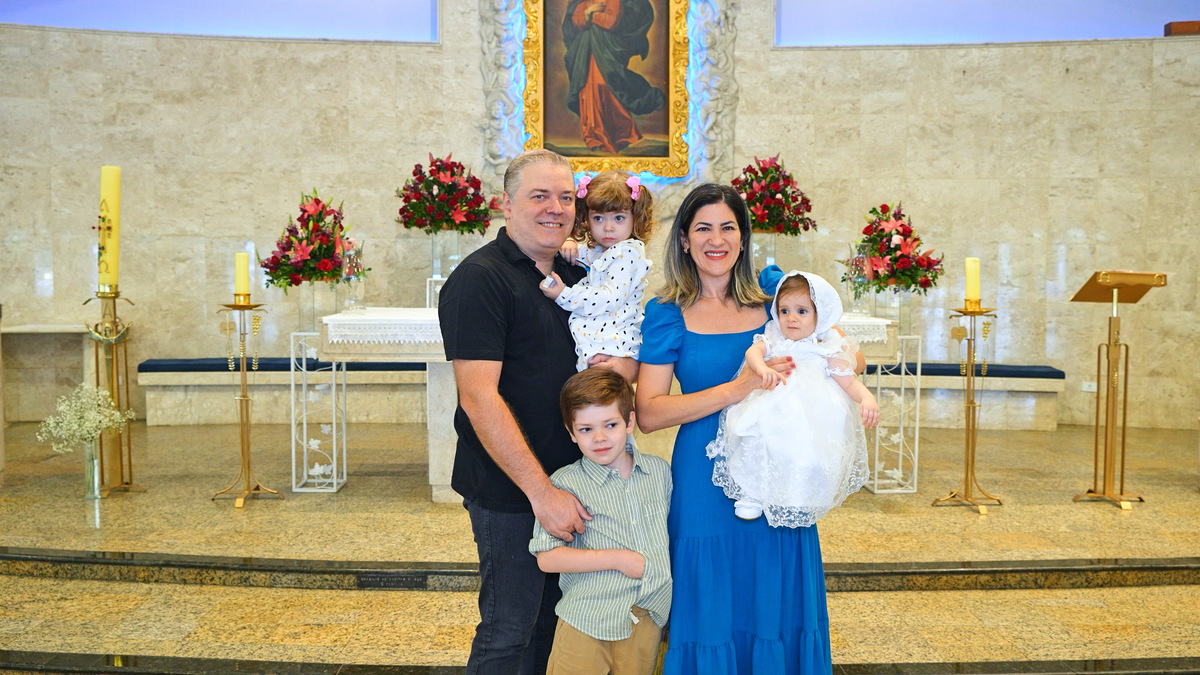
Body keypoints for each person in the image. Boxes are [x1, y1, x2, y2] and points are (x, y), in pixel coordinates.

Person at [635, 183, 864, 673]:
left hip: (778, 474)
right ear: (684, 240)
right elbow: (649, 413)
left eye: (728, 228)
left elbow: (848, 355)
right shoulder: (666, 313)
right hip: (703, 479)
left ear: (743, 238)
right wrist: (738, 388)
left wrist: (835, 360)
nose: (716, 239)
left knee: (776, 598)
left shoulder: (773, 297)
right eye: (703, 228)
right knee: (711, 607)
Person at [438, 148, 638, 675]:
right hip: (513, 491)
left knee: (555, 632)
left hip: (576, 488)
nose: (556, 208)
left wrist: (623, 366)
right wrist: (541, 493)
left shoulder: (581, 273)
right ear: (506, 204)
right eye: (540, 196)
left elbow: (618, 358)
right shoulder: (480, 279)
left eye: (566, 197)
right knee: (510, 631)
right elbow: (478, 398)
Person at [707, 270, 878, 527]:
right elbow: (753, 351)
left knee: (806, 450)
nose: (791, 318)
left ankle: (801, 494)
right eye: (784, 311)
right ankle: (752, 493)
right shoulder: (775, 337)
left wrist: (866, 398)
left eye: (802, 311)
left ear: (820, 315)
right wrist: (762, 368)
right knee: (752, 431)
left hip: (813, 410)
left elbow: (848, 380)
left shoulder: (827, 345)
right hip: (774, 399)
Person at [529, 368, 671, 675]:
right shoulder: (565, 484)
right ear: (571, 432)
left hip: (646, 620)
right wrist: (616, 559)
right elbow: (547, 558)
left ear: (629, 422)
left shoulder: (659, 473)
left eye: (610, 425)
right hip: (587, 620)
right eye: (586, 429)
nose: (600, 438)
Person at [540, 170, 655, 372]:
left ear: (635, 218)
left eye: (619, 218)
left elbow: (609, 298)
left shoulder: (628, 253)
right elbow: (581, 255)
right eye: (599, 218)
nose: (608, 227)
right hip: (601, 340)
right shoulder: (602, 250)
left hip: (615, 342)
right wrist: (568, 242)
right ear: (586, 218)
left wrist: (564, 295)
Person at [562, 0, 666, 153]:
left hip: (605, 51)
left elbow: (611, 22)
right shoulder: (584, 2)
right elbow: (576, 21)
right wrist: (587, 13)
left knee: (606, 87)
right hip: (586, 53)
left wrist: (590, 16)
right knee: (586, 91)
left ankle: (623, 133)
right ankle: (593, 135)